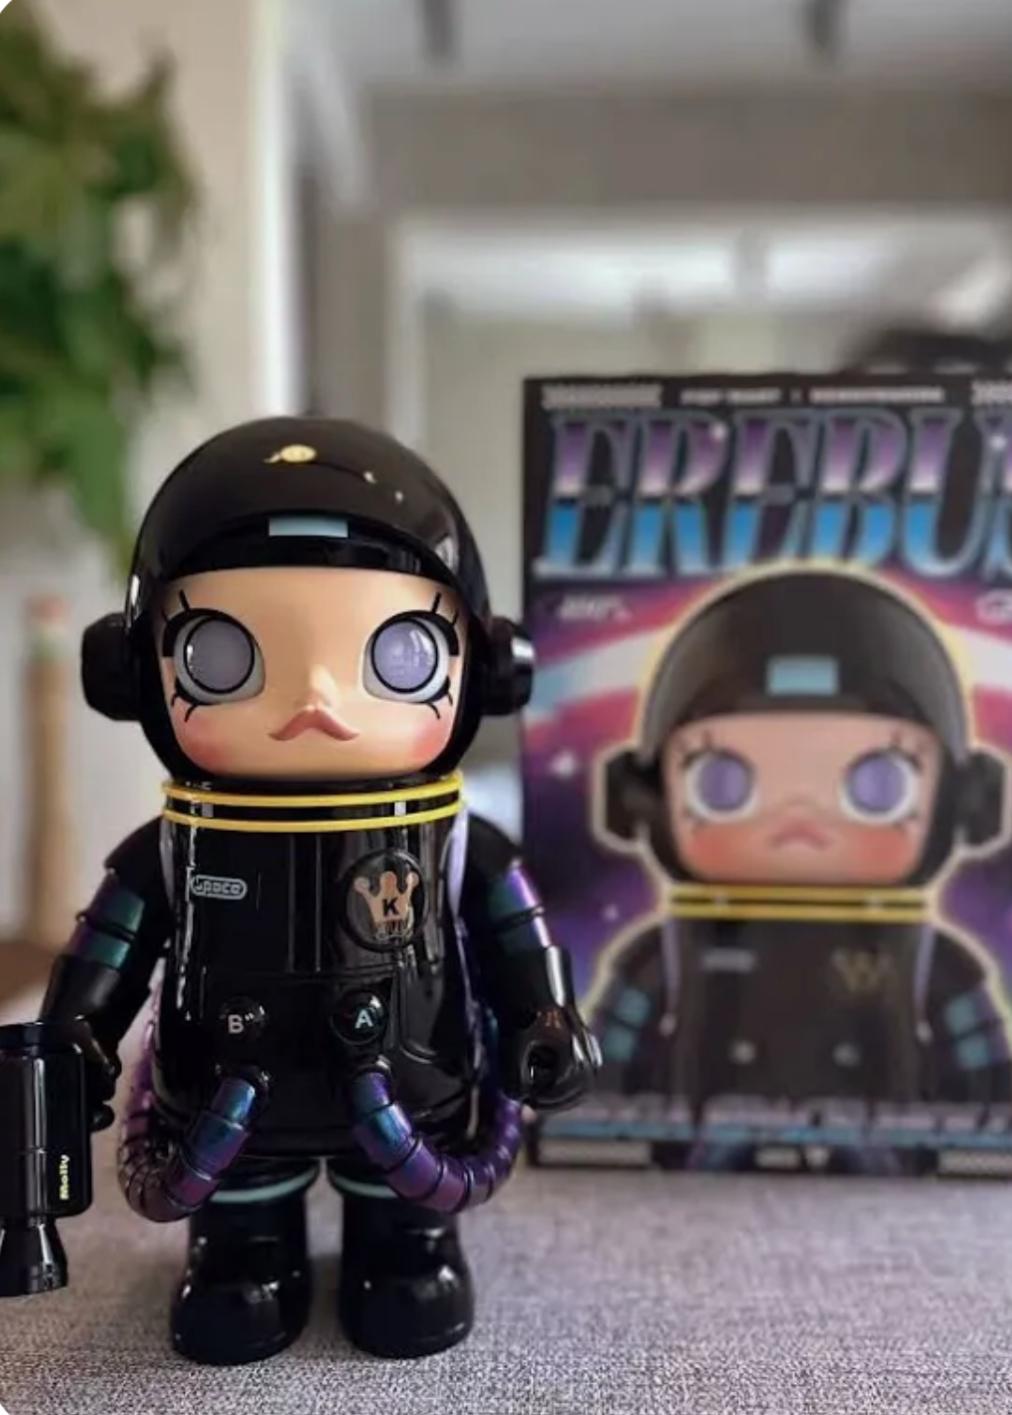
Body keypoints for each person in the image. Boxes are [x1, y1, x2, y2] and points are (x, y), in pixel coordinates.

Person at [33, 418, 596, 1364]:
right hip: (224, 1094)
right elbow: (110, 951)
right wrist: (77, 1038)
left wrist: (544, 1018)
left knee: (404, 1228)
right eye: (222, 656)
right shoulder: (174, 844)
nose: (317, 702)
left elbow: (516, 937)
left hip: (416, 1085)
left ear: (486, 666)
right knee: (239, 1232)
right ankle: (244, 1250)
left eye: (400, 655)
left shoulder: (459, 841)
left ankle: (407, 1243)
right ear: (134, 671)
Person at [594, 571, 1010, 1163]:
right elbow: (597, 1083)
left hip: (884, 1163)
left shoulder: (934, 965)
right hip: (699, 1161)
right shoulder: (663, 959)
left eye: (878, 785)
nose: (798, 818)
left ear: (961, 803)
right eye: (722, 783)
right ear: (642, 798)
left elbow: (988, 1093)